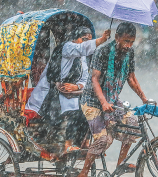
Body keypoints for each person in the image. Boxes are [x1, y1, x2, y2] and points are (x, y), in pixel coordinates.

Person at [75, 22, 149, 177]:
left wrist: (145, 98)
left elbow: (131, 78)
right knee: (103, 139)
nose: (128, 45)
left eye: (131, 41)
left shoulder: (129, 54)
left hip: (113, 100)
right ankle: (82, 174)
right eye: (125, 41)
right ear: (117, 38)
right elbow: (94, 79)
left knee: (132, 124)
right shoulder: (103, 52)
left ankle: (120, 162)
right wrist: (103, 102)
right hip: (92, 101)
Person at [25, 26, 111, 156]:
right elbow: (82, 48)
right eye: (84, 39)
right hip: (51, 91)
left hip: (70, 93)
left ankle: (83, 143)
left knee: (87, 110)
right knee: (75, 113)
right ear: (75, 39)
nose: (86, 42)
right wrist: (103, 39)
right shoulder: (67, 47)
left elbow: (85, 78)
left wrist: (77, 87)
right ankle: (68, 145)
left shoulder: (81, 57)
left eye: (89, 40)